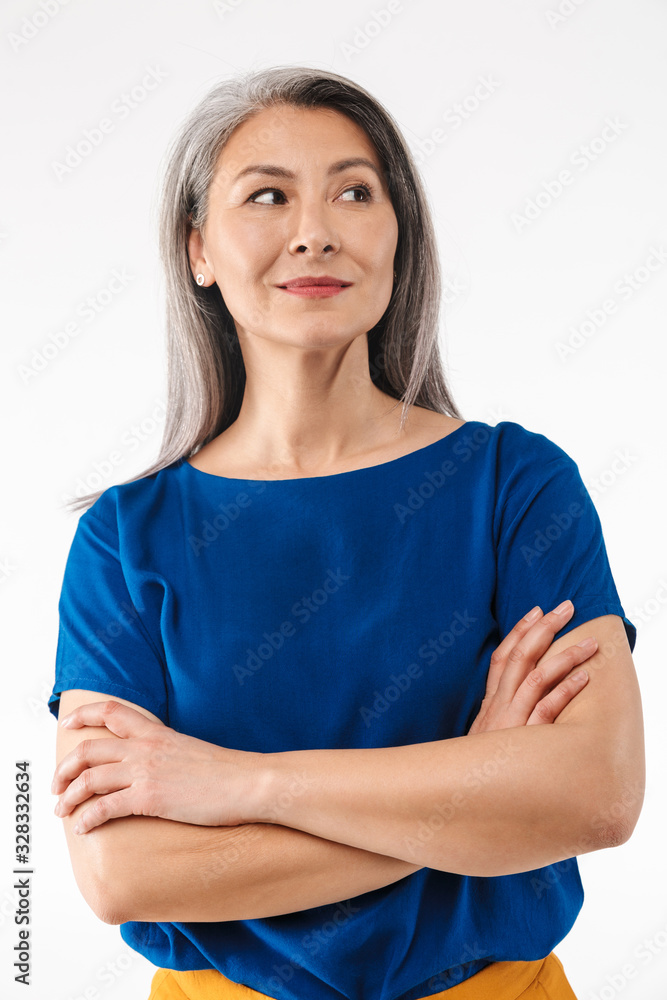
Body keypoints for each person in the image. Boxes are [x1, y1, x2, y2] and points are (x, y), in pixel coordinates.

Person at [48, 65, 644, 1000]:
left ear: (398, 234)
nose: (314, 229)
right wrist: (467, 790)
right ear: (197, 248)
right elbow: (124, 876)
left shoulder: (514, 486)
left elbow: (595, 797)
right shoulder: (126, 541)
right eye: (268, 195)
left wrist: (239, 786)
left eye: (354, 192)